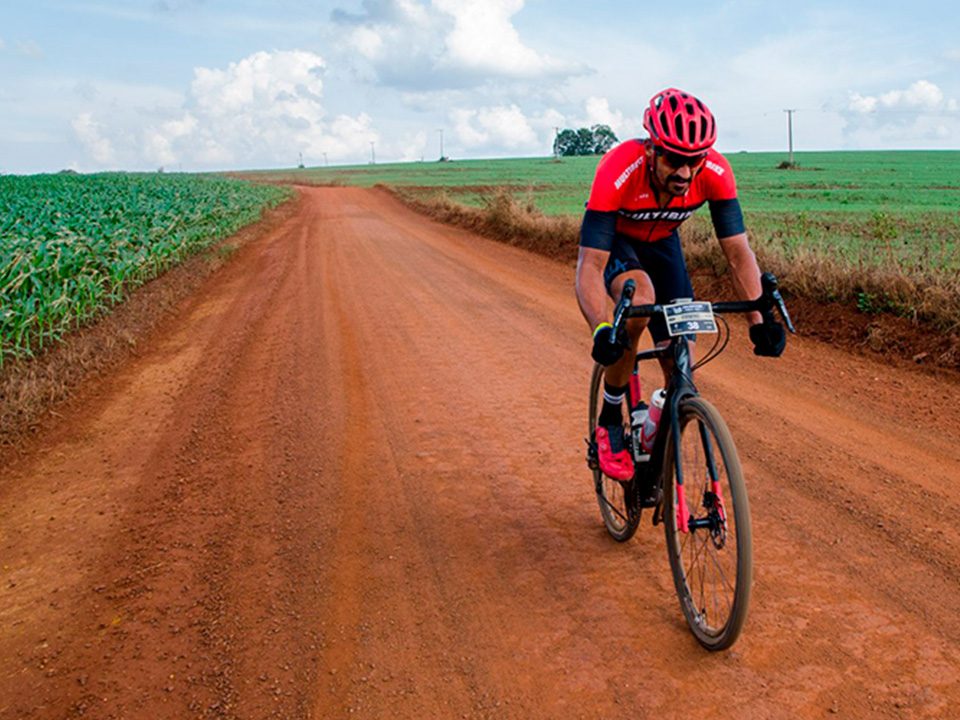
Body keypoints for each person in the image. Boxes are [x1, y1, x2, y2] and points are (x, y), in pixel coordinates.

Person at [575, 87, 785, 481]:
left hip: (663, 243)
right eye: (675, 160)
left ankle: (657, 431)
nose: (686, 173)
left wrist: (760, 320)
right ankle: (610, 418)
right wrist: (602, 329)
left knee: (681, 352)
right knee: (641, 300)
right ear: (652, 149)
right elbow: (591, 264)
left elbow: (739, 253)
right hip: (618, 241)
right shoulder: (618, 168)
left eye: (695, 160)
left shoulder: (717, 173)